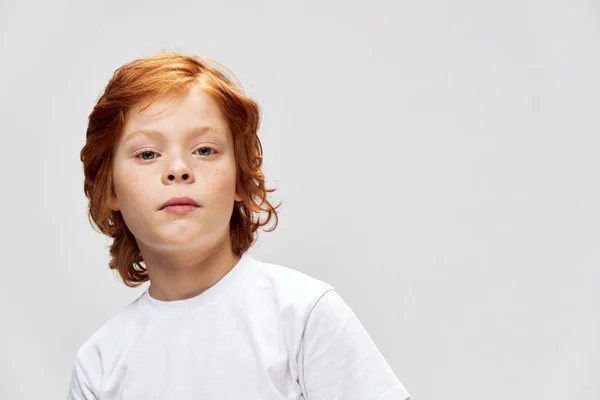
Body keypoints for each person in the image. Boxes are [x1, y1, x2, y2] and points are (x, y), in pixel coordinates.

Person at [67, 51, 411, 400]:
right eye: (146, 154)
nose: (177, 169)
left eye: (204, 150)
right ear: (109, 188)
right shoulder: (100, 365)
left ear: (240, 180)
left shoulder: (301, 315)